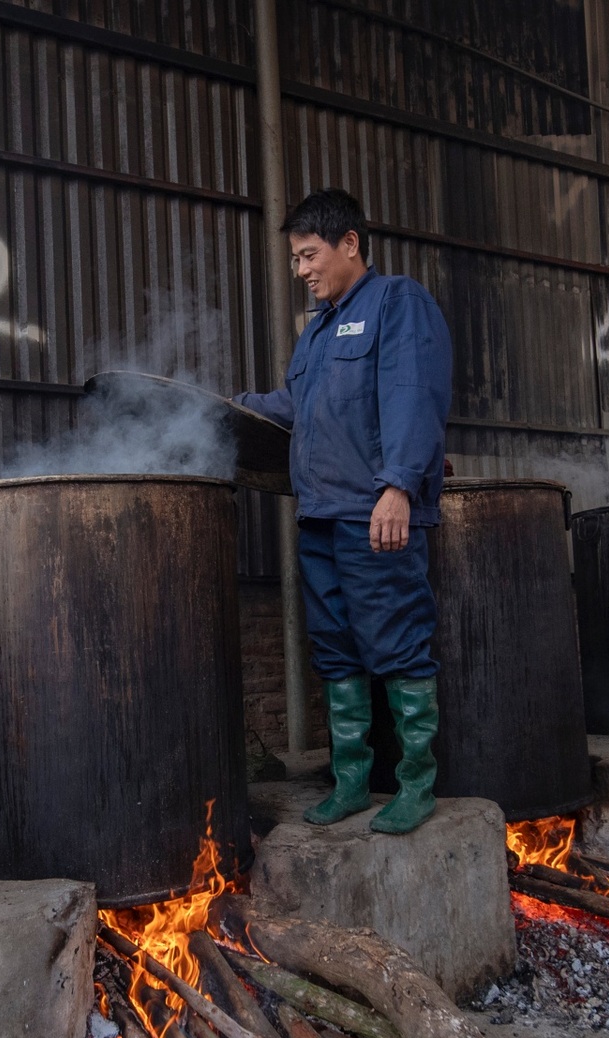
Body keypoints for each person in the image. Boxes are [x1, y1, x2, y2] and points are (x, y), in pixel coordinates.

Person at [235, 188, 452, 834]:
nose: (300, 270)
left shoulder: (396, 303)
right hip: (321, 517)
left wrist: (398, 486)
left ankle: (416, 784)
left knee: (398, 643)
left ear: (350, 244)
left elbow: (414, 395)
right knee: (335, 650)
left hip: (374, 512)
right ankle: (352, 782)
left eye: (308, 255)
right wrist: (221, 406)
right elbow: (293, 408)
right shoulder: (318, 334)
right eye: (296, 258)